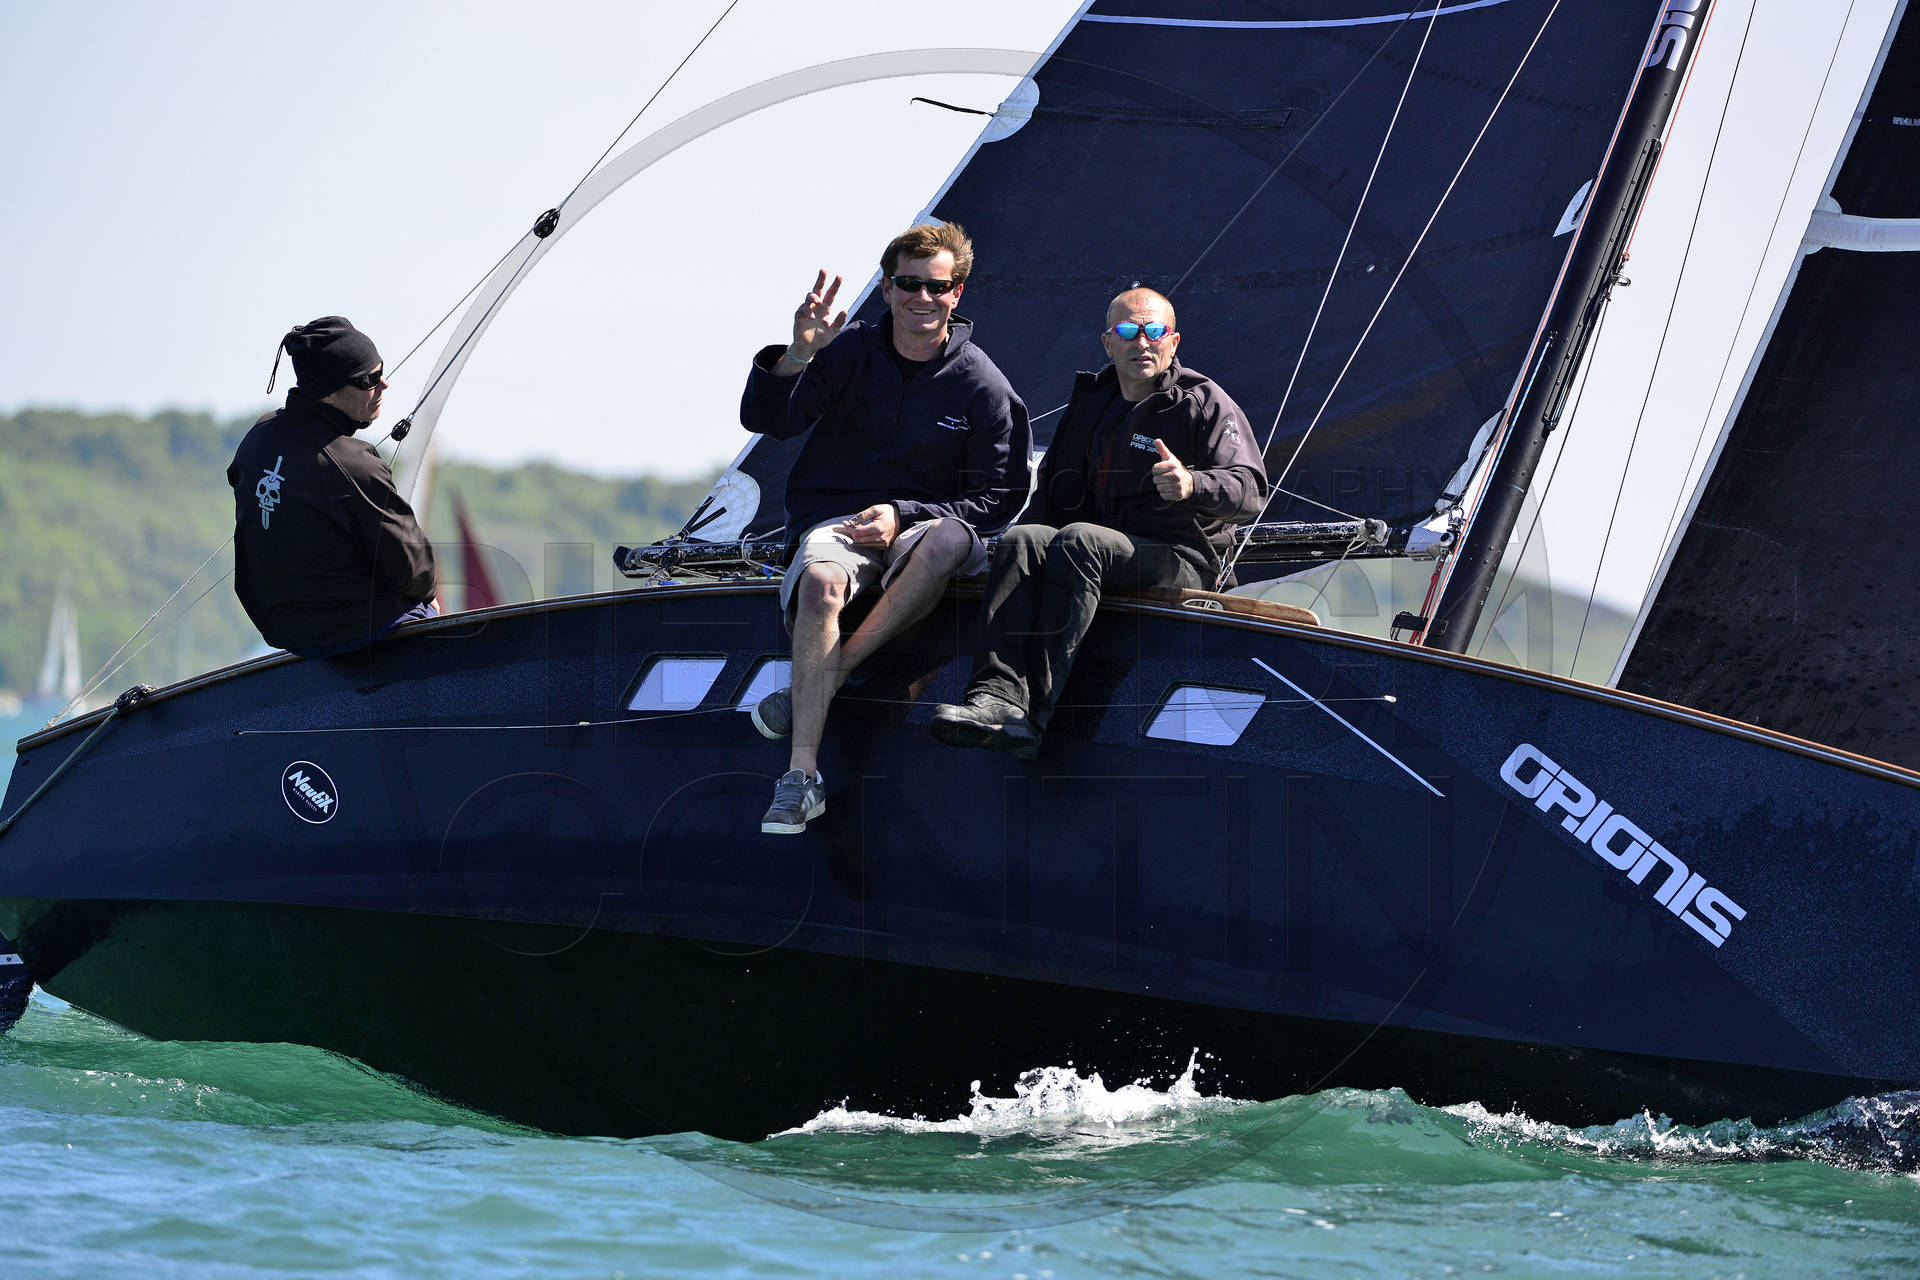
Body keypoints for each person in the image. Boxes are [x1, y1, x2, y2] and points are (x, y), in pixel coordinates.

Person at [739, 222, 1032, 834]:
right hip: (838, 522)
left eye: (937, 286)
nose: (922, 297)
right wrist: (799, 354)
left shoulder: (983, 384)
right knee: (822, 582)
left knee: (948, 538)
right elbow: (769, 421)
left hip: (929, 528)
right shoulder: (846, 351)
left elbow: (1000, 498)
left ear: (957, 293)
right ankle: (801, 778)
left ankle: (821, 682)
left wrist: (906, 514)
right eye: (908, 283)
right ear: (887, 289)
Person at [931, 288, 1267, 758]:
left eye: (1155, 331)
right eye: (1128, 331)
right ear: (1108, 343)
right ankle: (995, 698)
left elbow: (1251, 491)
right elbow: (1051, 495)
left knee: (1079, 541)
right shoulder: (1092, 403)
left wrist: (1193, 484)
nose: (1142, 342)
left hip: (1182, 558)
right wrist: (1010, 561)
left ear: (1173, 341)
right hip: (1097, 552)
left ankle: (1032, 718)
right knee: (1024, 538)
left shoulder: (1203, 401)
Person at [227, 316, 436, 658]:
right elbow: (415, 570)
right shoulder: (356, 465)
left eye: (381, 372)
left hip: (283, 632)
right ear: (329, 393)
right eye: (369, 379)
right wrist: (428, 595)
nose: (383, 385)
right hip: (356, 633)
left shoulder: (258, 437)